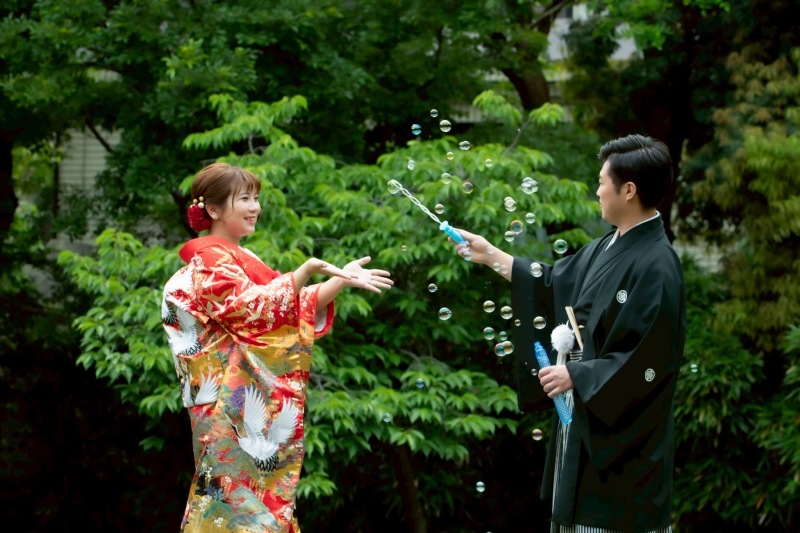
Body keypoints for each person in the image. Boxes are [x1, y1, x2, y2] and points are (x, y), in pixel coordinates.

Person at [452, 134, 686, 532]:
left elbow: (648, 362)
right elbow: (552, 285)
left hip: (624, 447)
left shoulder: (657, 265)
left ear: (628, 190)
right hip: (581, 420)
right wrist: (489, 254)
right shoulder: (607, 246)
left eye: (602, 182)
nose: (597, 191)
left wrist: (576, 373)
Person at [161, 162, 393, 532]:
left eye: (255, 198)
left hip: (236, 396)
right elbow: (251, 310)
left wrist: (341, 280)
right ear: (214, 209)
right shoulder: (210, 260)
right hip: (224, 399)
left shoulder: (237, 258)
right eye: (244, 199)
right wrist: (305, 270)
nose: (254, 207)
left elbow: (286, 306)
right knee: (232, 499)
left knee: (249, 503)